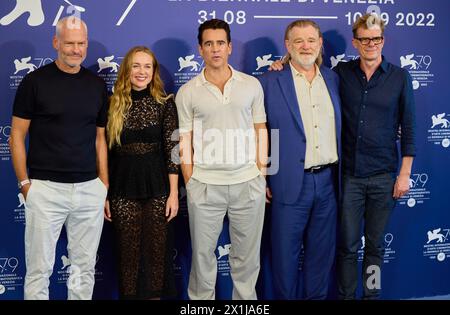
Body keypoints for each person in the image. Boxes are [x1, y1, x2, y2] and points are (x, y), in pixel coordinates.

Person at [9, 16, 108, 300]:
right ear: (56, 43)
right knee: (39, 271)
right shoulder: (34, 82)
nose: (76, 49)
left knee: (83, 270)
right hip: (45, 189)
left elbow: (100, 139)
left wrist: (103, 185)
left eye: (81, 44)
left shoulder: (97, 85)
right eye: (69, 43)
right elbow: (16, 136)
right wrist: (25, 184)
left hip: (90, 189)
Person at [176, 19, 268, 300]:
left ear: (229, 47)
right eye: (208, 44)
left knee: (247, 260)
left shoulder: (251, 85)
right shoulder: (188, 92)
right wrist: (191, 183)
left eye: (220, 43)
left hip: (247, 185)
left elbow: (260, 130)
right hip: (204, 187)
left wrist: (260, 175)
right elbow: (183, 141)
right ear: (200, 49)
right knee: (203, 259)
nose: (215, 49)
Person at [334, 13, 416, 300]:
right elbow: (306, 68)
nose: (371, 44)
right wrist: (282, 62)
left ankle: (371, 296)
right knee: (347, 246)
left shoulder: (399, 77)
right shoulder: (341, 73)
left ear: (384, 40)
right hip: (350, 178)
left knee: (376, 247)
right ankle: (346, 297)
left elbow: (409, 127)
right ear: (355, 42)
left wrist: (404, 174)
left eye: (376, 39)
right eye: (365, 39)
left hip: (383, 177)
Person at [259, 20, 341, 299]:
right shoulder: (268, 81)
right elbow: (258, 134)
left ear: (320, 44)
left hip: (328, 183)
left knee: (321, 257)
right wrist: (266, 175)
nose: (305, 46)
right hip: (289, 183)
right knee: (285, 259)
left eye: (310, 40)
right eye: (298, 41)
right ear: (288, 46)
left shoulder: (333, 79)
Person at [105, 46, 179, 300]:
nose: (142, 72)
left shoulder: (165, 104)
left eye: (147, 66)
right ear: (127, 69)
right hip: (122, 189)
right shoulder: (111, 104)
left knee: (156, 256)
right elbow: (105, 154)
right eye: (136, 65)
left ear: (154, 71)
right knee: (128, 256)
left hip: (158, 188)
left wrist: (173, 195)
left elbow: (173, 151)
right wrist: (104, 194)